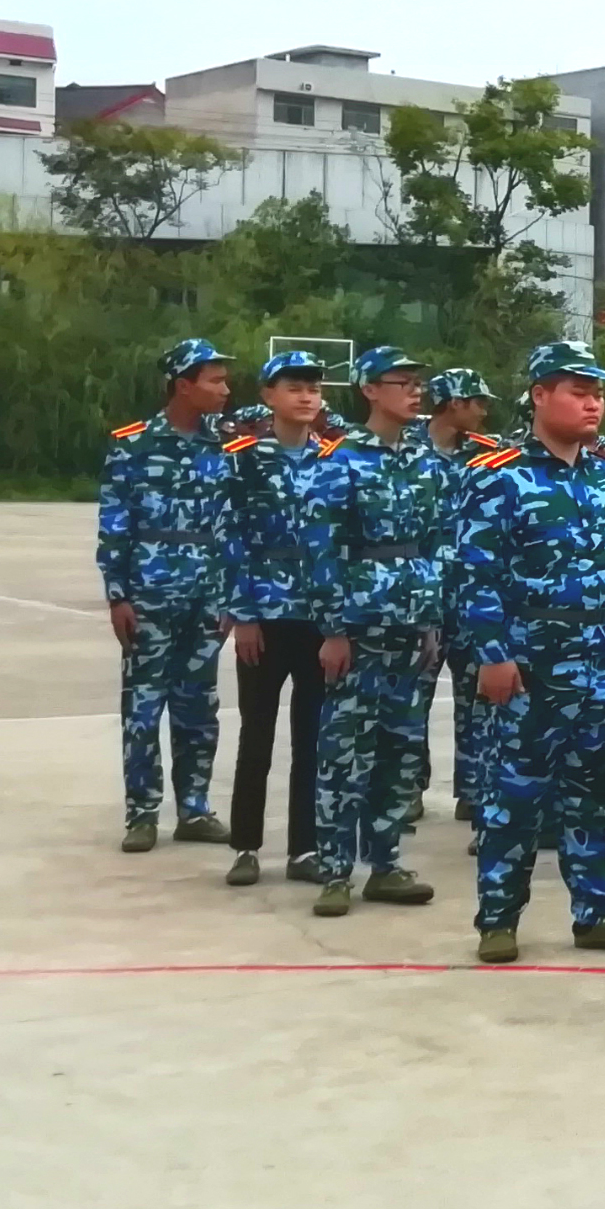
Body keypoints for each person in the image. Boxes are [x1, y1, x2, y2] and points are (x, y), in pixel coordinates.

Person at [454, 341, 605, 964]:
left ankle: (595, 912)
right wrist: (493, 653)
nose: (593, 403)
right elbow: (474, 575)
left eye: (598, 393)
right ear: (540, 395)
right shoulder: (498, 476)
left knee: (595, 798)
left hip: (600, 664)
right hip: (530, 666)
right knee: (514, 799)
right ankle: (499, 919)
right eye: (578, 392)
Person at [307, 347, 449, 918]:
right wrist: (332, 628)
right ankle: (335, 870)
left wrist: (432, 619)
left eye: (418, 383)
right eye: (402, 383)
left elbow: (437, 542)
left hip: (411, 628)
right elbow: (321, 550)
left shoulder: (424, 461)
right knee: (345, 753)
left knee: (400, 750)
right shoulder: (340, 461)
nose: (415, 392)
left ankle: (386, 864)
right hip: (360, 628)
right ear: (369, 390)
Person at [100, 337, 238, 852]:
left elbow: (233, 525)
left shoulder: (225, 445)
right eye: (215, 381)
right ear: (184, 385)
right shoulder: (134, 443)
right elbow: (115, 523)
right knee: (143, 709)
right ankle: (142, 814)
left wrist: (231, 595)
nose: (225, 390)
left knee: (199, 708)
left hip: (206, 595)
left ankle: (195, 809)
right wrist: (118, 594)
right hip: (150, 595)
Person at [221, 350, 349, 888]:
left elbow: (343, 544)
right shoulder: (244, 459)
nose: (306, 396)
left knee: (313, 740)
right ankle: (246, 845)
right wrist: (243, 615)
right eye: (293, 387)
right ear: (268, 396)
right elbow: (231, 538)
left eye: (313, 388)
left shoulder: (335, 460)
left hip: (317, 619)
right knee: (256, 735)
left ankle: (305, 848)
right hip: (265, 616)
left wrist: (338, 623)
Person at [422, 367, 511, 826]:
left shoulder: (487, 456)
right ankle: (408, 786)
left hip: (468, 593)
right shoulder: (407, 451)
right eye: (477, 402)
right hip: (420, 594)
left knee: (475, 697)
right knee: (413, 697)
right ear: (453, 403)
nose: (483, 411)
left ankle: (473, 789)